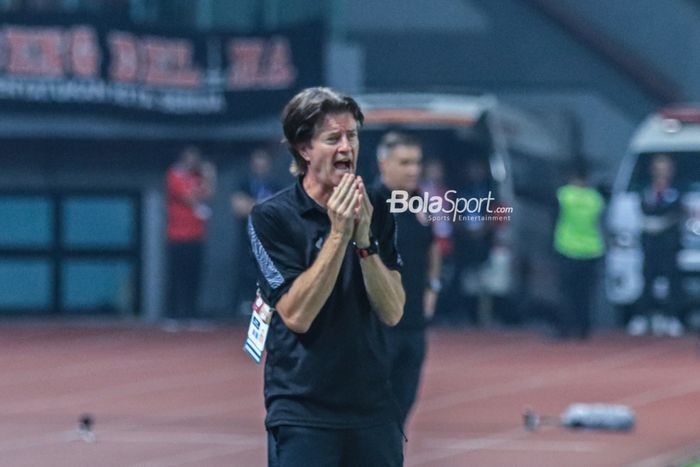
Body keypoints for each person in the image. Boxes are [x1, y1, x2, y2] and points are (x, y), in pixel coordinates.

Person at [247, 87, 405, 467]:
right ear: (304, 149)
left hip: (372, 407)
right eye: (333, 138)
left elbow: (393, 310)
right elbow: (297, 315)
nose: (346, 148)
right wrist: (338, 234)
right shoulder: (273, 217)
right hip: (303, 408)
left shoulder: (377, 208)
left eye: (352, 136)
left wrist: (364, 240)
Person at [370, 132, 441, 428]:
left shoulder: (418, 202)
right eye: (405, 162)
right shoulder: (369, 205)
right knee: (372, 412)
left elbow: (432, 245)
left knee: (402, 412)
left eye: (417, 162)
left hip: (413, 326)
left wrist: (432, 287)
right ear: (384, 164)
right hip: (378, 328)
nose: (414, 170)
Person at [627, 154, 684, 337]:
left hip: (670, 245)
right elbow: (642, 211)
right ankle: (642, 318)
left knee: (672, 282)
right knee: (647, 280)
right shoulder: (645, 191)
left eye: (665, 167)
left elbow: (676, 213)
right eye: (658, 167)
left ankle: (673, 318)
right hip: (650, 245)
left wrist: (661, 222)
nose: (661, 171)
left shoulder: (676, 191)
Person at [552, 163, 605, 339]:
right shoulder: (595, 198)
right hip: (591, 249)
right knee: (585, 294)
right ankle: (584, 329)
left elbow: (554, 216)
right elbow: (599, 221)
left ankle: (565, 328)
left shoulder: (564, 194)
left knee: (566, 293)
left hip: (567, 247)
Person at [165, 145, 216, 323]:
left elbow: (209, 194)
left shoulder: (198, 176)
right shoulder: (175, 174)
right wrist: (199, 194)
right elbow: (189, 198)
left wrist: (209, 174)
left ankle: (192, 313)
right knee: (177, 275)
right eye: (190, 157)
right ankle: (173, 314)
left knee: (194, 276)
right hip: (178, 236)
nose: (193, 161)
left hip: (196, 235)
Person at [231, 148, 282, 316]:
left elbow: (278, 210)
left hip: (269, 240)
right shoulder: (244, 183)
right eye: (257, 160)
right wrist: (262, 205)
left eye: (263, 160)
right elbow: (239, 207)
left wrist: (253, 205)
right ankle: (244, 304)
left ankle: (268, 304)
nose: (260, 164)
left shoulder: (276, 185)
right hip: (246, 237)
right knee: (245, 270)